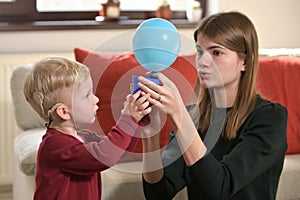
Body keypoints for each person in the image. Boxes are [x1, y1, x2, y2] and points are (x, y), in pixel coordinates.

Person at [138, 11, 288, 200]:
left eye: (216, 52)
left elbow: (219, 190)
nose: (202, 62)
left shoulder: (270, 118)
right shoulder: (193, 115)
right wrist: (149, 135)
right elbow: (158, 194)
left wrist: (179, 115)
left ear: (245, 61)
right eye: (200, 51)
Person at [23, 57, 151, 200]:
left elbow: (120, 151)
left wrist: (137, 120)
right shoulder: (54, 145)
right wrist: (128, 119)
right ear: (63, 112)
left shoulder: (85, 137)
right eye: (87, 95)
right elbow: (104, 156)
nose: (96, 99)